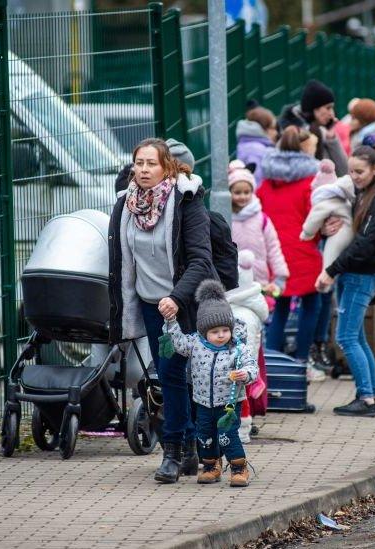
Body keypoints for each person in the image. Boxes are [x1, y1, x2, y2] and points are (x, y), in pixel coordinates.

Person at [108, 138, 214, 484]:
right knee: (169, 376)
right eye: (138, 163)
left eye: (151, 163)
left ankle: (188, 446)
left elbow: (201, 260)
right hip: (153, 305)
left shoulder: (186, 202)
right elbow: (121, 260)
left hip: (186, 304)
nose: (143, 170)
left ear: (167, 167)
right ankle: (178, 449)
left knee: (190, 375)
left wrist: (177, 297)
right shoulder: (126, 204)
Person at [315, 144, 375, 416]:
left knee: (347, 338)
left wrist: (331, 270)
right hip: (359, 274)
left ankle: (365, 399)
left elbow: (364, 244)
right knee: (358, 338)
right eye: (351, 171)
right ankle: (374, 395)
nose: (354, 176)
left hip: (360, 275)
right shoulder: (369, 193)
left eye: (360, 171)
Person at [164, 280, 258, 487]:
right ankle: (210, 465)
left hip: (229, 403)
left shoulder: (238, 349)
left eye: (225, 330)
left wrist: (245, 374)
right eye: (215, 332)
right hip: (203, 402)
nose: (221, 335)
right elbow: (178, 343)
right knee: (204, 435)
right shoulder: (196, 344)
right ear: (204, 331)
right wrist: (171, 323)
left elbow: (252, 366)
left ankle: (238, 468)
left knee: (227, 435)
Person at [257, 127, 326, 381]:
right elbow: (315, 218)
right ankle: (300, 361)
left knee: (281, 307)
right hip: (304, 251)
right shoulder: (310, 181)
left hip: (275, 254)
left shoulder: (265, 182)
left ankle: (273, 362)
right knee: (312, 305)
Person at [228, 160, 288, 299]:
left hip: (260, 281)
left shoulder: (262, 219)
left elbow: (273, 247)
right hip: (235, 281)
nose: (243, 196)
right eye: (237, 192)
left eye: (246, 192)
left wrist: (280, 276)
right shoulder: (226, 219)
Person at [227, 251, 270, 443]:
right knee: (241, 396)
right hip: (248, 363)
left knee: (235, 397)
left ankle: (240, 432)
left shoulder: (232, 312)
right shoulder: (254, 307)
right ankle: (242, 430)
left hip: (232, 364)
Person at [279, 79, 349, 176]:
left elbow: (344, 171)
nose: (332, 113)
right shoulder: (295, 135)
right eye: (328, 108)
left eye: (332, 108)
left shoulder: (322, 131)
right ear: (314, 109)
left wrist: (331, 138)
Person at [300, 159, 355, 272]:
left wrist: (306, 233)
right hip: (349, 227)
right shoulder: (342, 197)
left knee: (331, 253)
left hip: (342, 231)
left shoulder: (325, 201)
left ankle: (327, 276)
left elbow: (314, 218)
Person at [235, 107, 278, 186]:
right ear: (264, 129)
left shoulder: (248, 144)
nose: (275, 132)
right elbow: (258, 181)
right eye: (273, 128)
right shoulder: (256, 150)